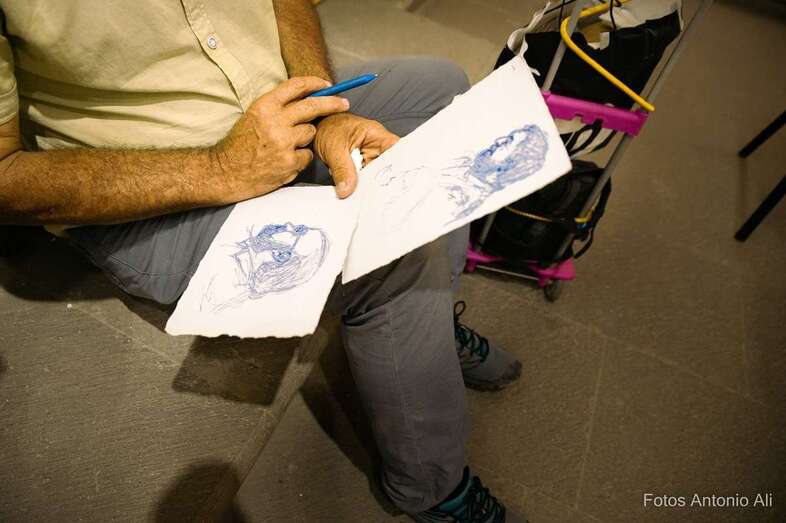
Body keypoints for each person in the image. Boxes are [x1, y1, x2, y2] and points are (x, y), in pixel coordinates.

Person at [0, 1, 525, 521]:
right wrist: (222, 167)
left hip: (271, 110)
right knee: (393, 254)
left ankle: (423, 328)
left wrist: (321, 110)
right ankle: (429, 486)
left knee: (441, 87)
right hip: (149, 186)